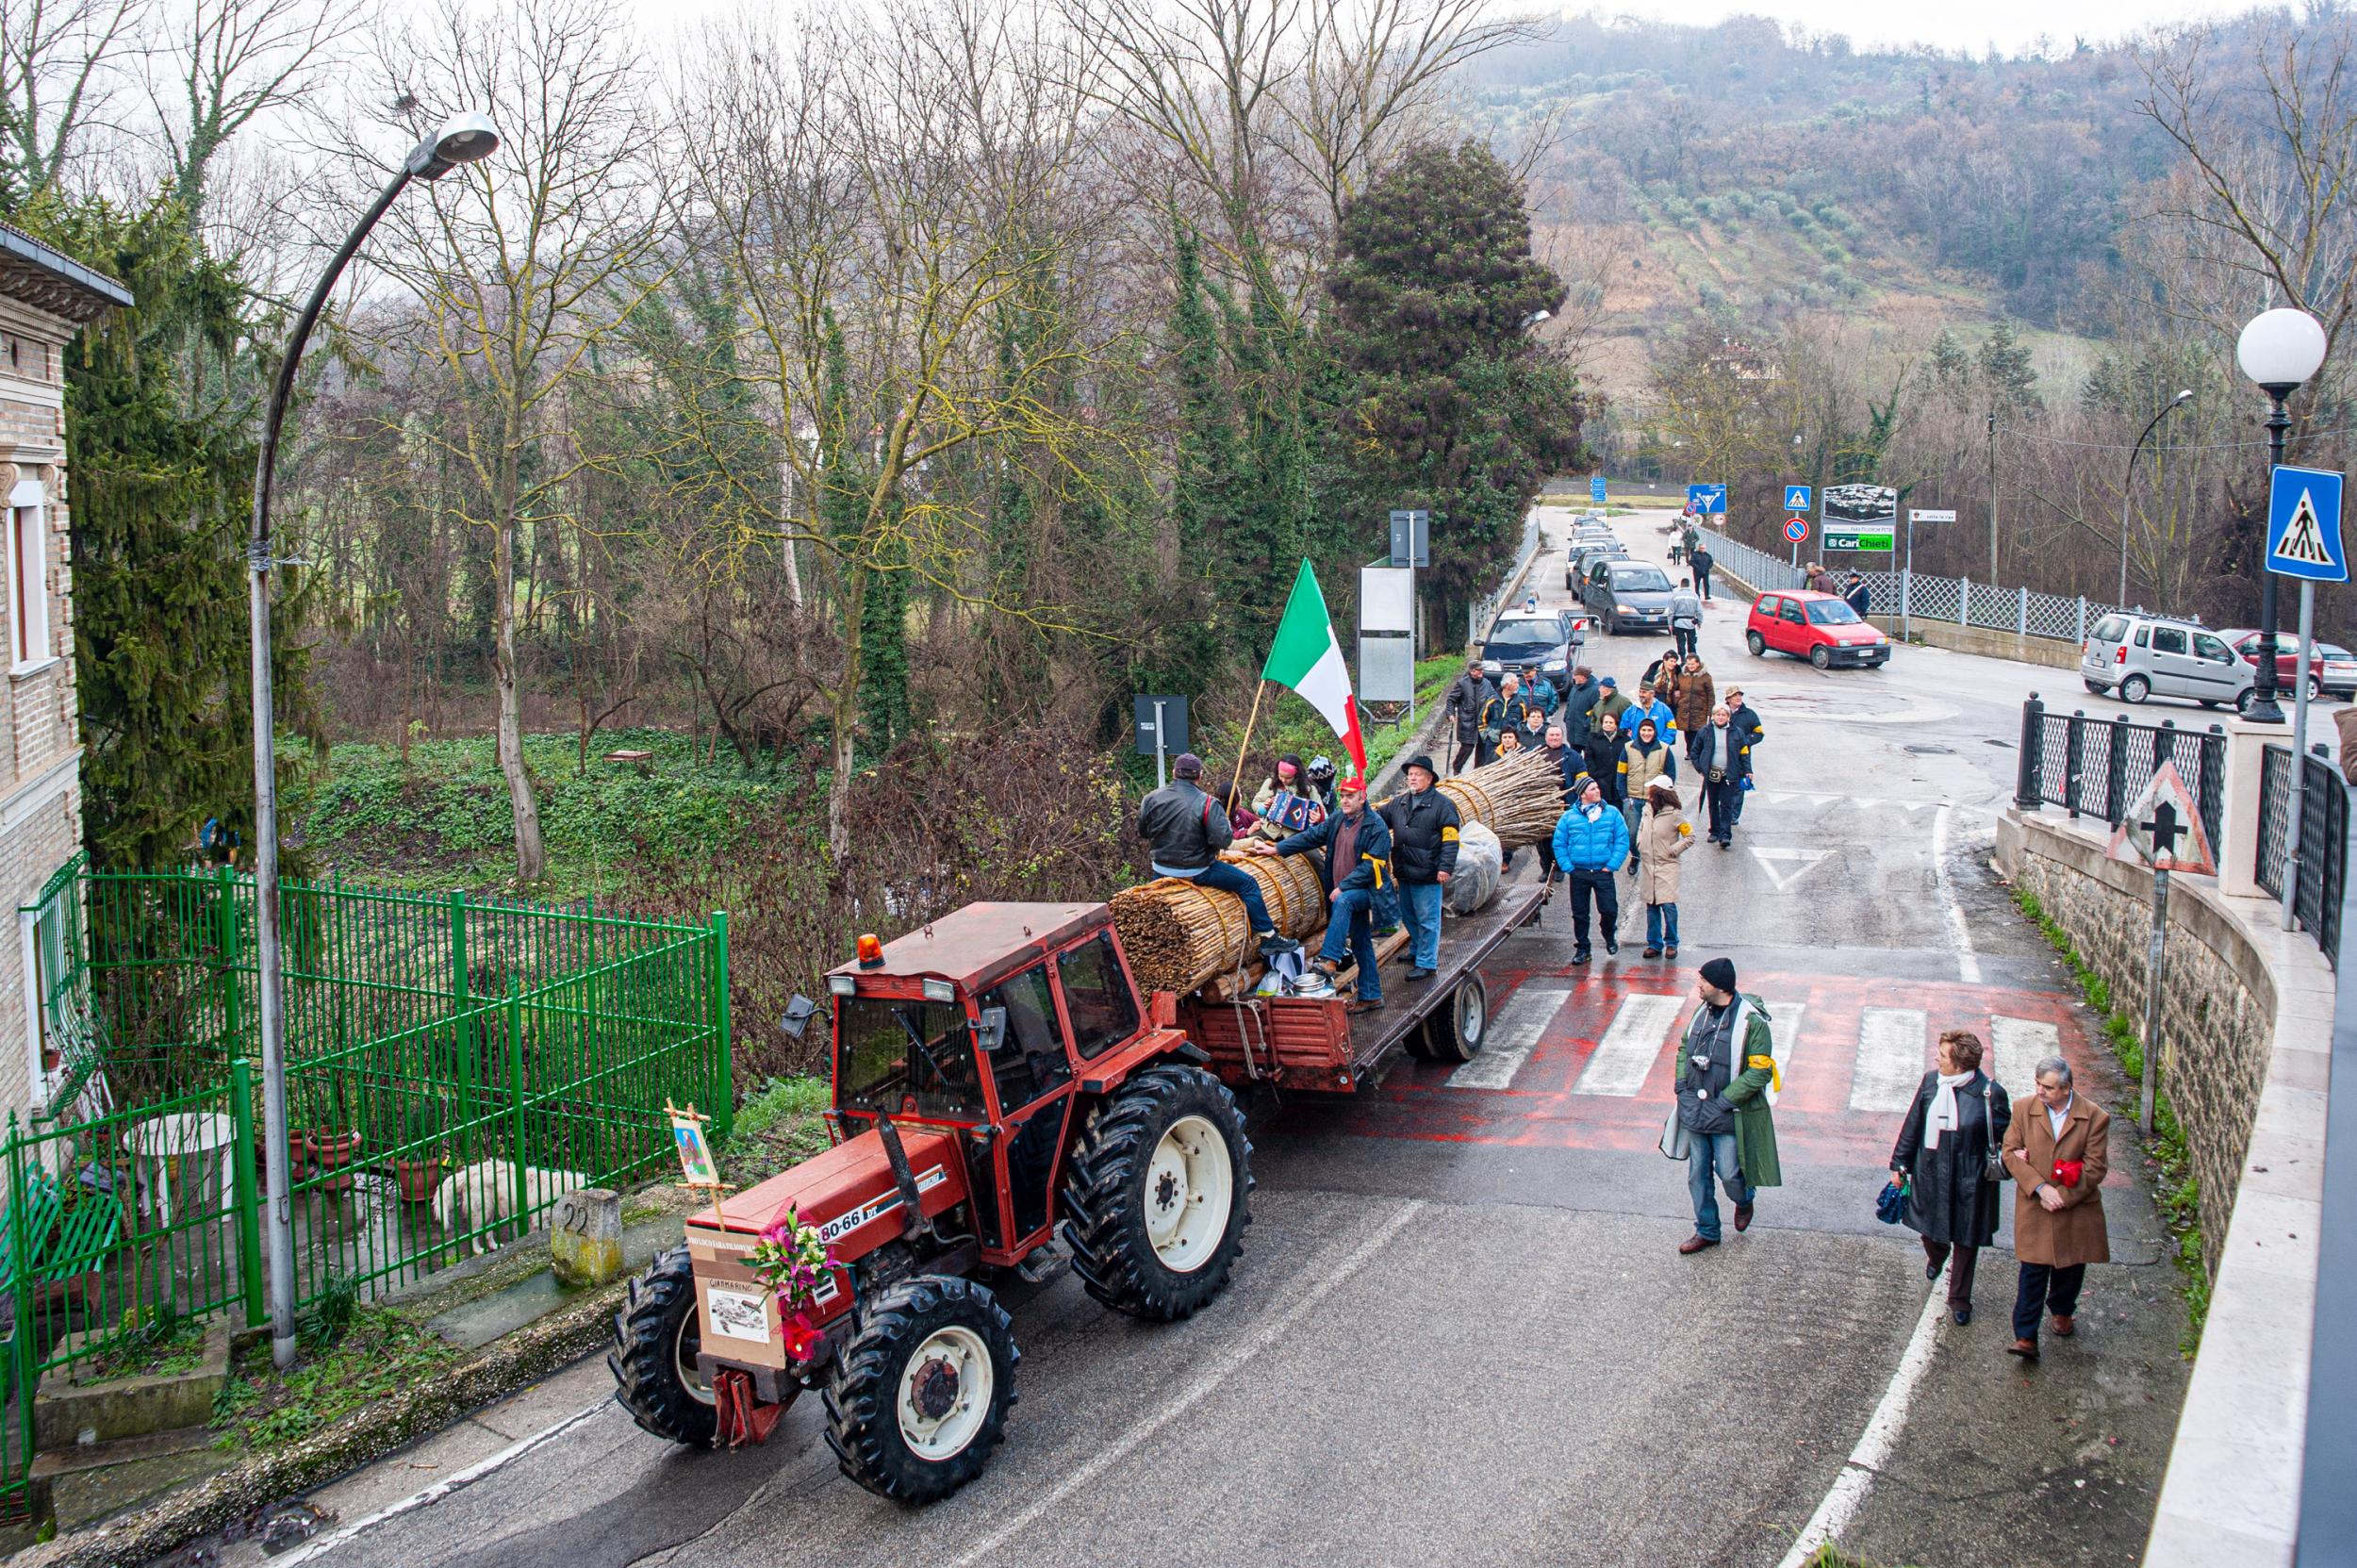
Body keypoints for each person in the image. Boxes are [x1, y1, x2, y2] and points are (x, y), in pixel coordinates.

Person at [1890, 1030, 2011, 1327]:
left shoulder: (1991, 1094)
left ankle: (1959, 1297)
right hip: (1930, 1171)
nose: (1936, 1058)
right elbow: (1914, 1123)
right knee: (1928, 1229)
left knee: (1967, 1240)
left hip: (1971, 1180)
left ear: (1959, 1065)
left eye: (1942, 1055)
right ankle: (1937, 1253)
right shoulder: (1931, 1082)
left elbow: (2006, 1136)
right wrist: (1900, 1163)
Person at [1250, 777, 1393, 1015]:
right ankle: (1372, 995)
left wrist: (1343, 886)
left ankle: (1329, 959)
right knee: (1361, 943)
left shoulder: (1375, 827)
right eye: (1343, 796)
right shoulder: (1338, 819)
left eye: (1350, 796)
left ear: (1362, 797)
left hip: (1367, 892)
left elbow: (1370, 868)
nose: (1345, 800)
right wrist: (1277, 848)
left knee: (1345, 901)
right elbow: (1312, 836)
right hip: (1344, 891)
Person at [2002, 1055, 2111, 1361]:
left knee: (2070, 1267)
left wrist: (2063, 1195)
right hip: (2036, 1205)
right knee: (2032, 1271)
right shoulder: (2024, 1109)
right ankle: (2025, 1336)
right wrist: (2041, 1188)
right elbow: (2010, 1153)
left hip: (2073, 1207)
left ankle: (2062, 1310)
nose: (2040, 1092)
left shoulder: (2094, 1117)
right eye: (2037, 1084)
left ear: (2066, 1088)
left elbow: (2096, 1167)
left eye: (2047, 1087)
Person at [1138, 753, 1299, 957]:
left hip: (1160, 869)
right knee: (1248, 884)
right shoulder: (1207, 803)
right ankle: (1268, 937)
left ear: (1174, 774)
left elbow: (1144, 832)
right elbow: (1223, 841)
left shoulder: (1150, 798)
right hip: (1198, 870)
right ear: (1200, 776)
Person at [1673, 957, 1781, 1254]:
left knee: (1730, 1172)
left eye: (1703, 982)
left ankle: (1744, 1199)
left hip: (1727, 1111)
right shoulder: (1701, 1012)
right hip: (1696, 1106)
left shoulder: (1752, 1022)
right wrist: (1682, 1085)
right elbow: (1684, 1047)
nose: (1698, 986)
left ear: (1719, 987)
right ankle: (1706, 1231)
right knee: (1698, 1174)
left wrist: (1725, 1100)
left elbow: (1760, 1072)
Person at [1380, 756, 1459, 983]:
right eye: (1410, 774)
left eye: (1418, 774)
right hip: (1404, 870)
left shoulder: (1443, 805)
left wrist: (1445, 867)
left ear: (1429, 778)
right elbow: (1379, 820)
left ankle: (1426, 962)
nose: (1412, 778)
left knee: (1428, 919)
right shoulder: (1400, 802)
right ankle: (1416, 950)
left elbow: (1451, 839)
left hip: (1428, 872)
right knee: (1408, 915)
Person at [1550, 777, 1629, 964]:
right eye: (1593, 789)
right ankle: (1583, 948)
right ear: (1583, 794)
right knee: (1579, 913)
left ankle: (1609, 935)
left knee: (1609, 910)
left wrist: (1611, 865)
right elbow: (1559, 843)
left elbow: (1622, 841)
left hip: (1603, 872)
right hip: (1579, 872)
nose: (1598, 791)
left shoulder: (1612, 813)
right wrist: (1569, 867)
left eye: (1597, 787)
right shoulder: (1569, 817)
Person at [1635, 777, 1694, 959]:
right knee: (1651, 905)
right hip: (1648, 865)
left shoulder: (1675, 814)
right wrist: (1639, 843)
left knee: (1667, 905)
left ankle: (1671, 943)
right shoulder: (1647, 811)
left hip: (1666, 866)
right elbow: (1641, 829)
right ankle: (1654, 943)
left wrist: (1673, 850)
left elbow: (1689, 836)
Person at [1621, 715, 1677, 865]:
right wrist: (1625, 797)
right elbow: (1621, 773)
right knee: (1632, 834)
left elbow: (1670, 775)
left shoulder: (1664, 749)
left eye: (1650, 730)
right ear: (1638, 731)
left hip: (1653, 799)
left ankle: (1652, 860)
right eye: (1643, 730)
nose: (1646, 733)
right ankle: (1635, 856)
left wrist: (1662, 796)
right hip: (1632, 798)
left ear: (1655, 731)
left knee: (1654, 833)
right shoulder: (1628, 748)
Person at [1691, 705, 1749, 847]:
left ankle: (1725, 835)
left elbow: (1744, 753)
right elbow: (1695, 751)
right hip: (1711, 774)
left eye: (1724, 715)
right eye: (1718, 714)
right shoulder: (1705, 731)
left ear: (1728, 717)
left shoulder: (1737, 732)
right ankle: (1714, 831)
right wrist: (1701, 768)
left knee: (1726, 805)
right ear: (1713, 716)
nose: (1721, 717)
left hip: (1729, 775)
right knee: (1712, 803)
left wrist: (1748, 770)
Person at [1445, 659, 1497, 773]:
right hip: (1467, 722)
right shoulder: (1462, 684)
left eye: (1482, 670)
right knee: (1467, 748)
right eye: (1479, 670)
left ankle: (1478, 773)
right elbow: (1451, 699)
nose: (1481, 672)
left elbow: (1494, 698)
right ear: (1472, 671)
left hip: (1483, 722)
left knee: (1482, 749)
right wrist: (1450, 714)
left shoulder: (1487, 683)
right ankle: (1457, 769)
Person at [1724, 688, 1764, 825]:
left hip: (1742, 755)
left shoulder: (1749, 714)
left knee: (1739, 786)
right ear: (1728, 698)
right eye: (1735, 695)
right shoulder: (1722, 712)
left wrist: (1745, 741)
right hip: (1723, 754)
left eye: (1740, 695)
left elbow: (1759, 733)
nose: (1738, 697)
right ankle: (1723, 811)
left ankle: (1734, 815)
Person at [1674, 655, 1717, 765]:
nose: (1690, 666)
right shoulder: (1682, 675)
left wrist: (1710, 712)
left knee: (1697, 732)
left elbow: (1711, 695)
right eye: (1688, 664)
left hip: (1699, 710)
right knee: (1687, 732)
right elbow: (1676, 689)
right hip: (1684, 709)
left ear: (1698, 663)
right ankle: (1689, 751)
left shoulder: (1706, 677)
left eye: (1692, 664)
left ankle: (1696, 753)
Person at [1559, 665, 1601, 747]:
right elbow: (1569, 704)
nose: (1573, 677)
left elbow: (1597, 709)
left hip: (1585, 733)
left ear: (1582, 677)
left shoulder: (1595, 690)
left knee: (1587, 758)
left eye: (1575, 675)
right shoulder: (1575, 688)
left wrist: (1587, 723)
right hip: (1572, 732)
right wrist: (1566, 717)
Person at [1669, 576, 1703, 660]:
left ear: (1681, 585)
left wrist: (1670, 623)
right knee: (1691, 641)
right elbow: (1699, 611)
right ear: (1688, 585)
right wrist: (1699, 622)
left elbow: (1671, 611)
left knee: (1680, 641)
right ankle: (1692, 658)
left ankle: (1683, 658)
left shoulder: (1675, 595)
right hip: (1690, 622)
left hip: (1678, 622)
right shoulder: (1694, 595)